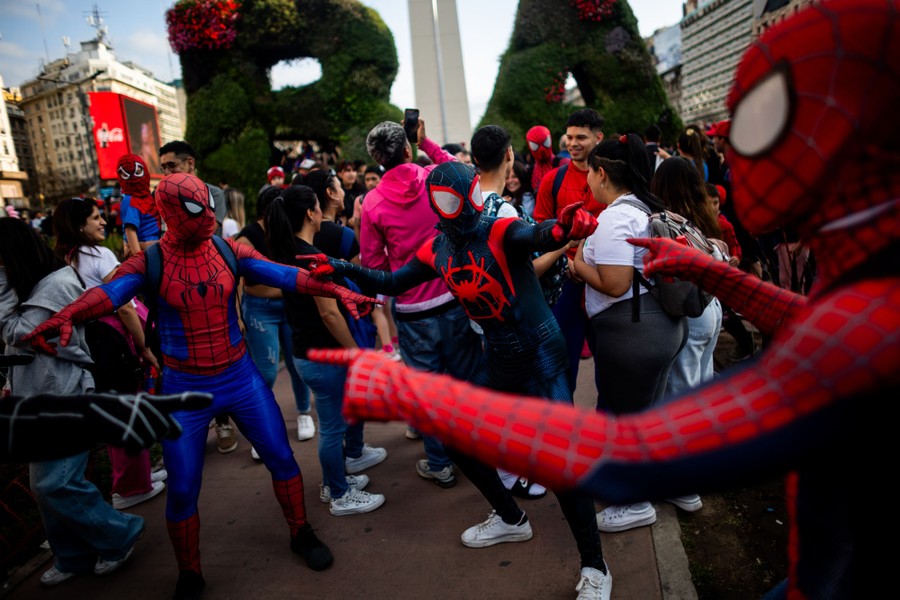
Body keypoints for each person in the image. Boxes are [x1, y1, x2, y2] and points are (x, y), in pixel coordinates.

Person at [317, 2, 897, 596]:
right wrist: (722, 278)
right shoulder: (867, 267)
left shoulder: (868, 327)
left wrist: (419, 394)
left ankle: (595, 563)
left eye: (764, 124)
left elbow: (626, 454)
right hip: (823, 558)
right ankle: (511, 518)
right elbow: (815, 322)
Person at [25, 173, 379, 599]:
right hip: (183, 388)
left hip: (239, 376)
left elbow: (286, 276)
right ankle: (189, 571)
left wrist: (340, 290)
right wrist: (70, 313)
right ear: (172, 213)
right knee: (183, 486)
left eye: (210, 204)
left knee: (283, 459)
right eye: (198, 209)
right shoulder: (151, 261)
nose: (209, 215)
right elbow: (110, 294)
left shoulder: (229, 250)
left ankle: (301, 531)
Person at [302, 161, 609, 599]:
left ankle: (596, 566)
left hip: (541, 355)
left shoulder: (499, 230)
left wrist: (563, 230)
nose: (447, 207)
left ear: (472, 196)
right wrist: (341, 268)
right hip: (499, 357)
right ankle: (510, 518)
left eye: (453, 198)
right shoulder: (439, 248)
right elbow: (393, 280)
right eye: (439, 200)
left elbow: (537, 235)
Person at [0, 219, 145, 587]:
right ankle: (72, 555)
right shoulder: (31, 285)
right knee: (43, 486)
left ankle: (119, 533)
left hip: (65, 395)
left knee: (57, 483)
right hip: (35, 399)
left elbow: (18, 332)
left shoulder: (58, 284)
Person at [571, 134, 687, 532]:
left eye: (589, 174)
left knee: (624, 419)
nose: (586, 180)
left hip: (634, 333)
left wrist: (575, 265)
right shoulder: (643, 207)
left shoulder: (616, 217)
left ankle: (634, 503)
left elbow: (615, 283)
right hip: (661, 327)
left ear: (601, 174)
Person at [361, 117, 482, 487]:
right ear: (408, 148)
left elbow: (374, 264)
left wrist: (388, 288)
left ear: (378, 160)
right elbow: (460, 173)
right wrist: (429, 143)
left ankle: (440, 462)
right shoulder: (433, 176)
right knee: (466, 380)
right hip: (455, 293)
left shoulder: (372, 202)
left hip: (413, 311)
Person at [266, 185, 386, 516]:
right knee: (332, 428)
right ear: (310, 213)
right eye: (318, 205)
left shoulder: (288, 252)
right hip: (323, 356)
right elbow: (329, 313)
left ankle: (335, 481)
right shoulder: (309, 257)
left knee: (331, 424)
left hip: (306, 352)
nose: (322, 212)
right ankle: (339, 494)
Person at [52, 197, 167, 510]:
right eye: (94, 218)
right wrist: (144, 347)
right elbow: (126, 305)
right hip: (116, 339)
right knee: (128, 408)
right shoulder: (98, 255)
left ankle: (138, 478)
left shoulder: (64, 258)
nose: (103, 222)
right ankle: (130, 488)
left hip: (88, 342)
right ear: (79, 226)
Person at [158, 140, 237, 453]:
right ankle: (192, 421)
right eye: (163, 167)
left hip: (210, 283)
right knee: (179, 355)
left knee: (217, 352)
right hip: (172, 285)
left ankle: (223, 422)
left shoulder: (211, 194)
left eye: (171, 166)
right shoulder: (161, 194)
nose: (166, 172)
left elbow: (205, 232)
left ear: (189, 163)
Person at [235, 186, 316, 449]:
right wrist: (236, 313)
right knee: (267, 371)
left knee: (297, 364)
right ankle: (264, 430)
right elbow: (238, 279)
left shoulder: (289, 231)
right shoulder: (248, 237)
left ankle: (304, 413)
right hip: (260, 309)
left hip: (290, 306)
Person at [533, 108, 606, 392]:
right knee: (563, 366)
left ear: (598, 138)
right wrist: (566, 261)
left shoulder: (610, 177)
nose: (573, 143)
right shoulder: (553, 180)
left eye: (581, 137)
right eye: (570, 136)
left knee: (610, 368)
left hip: (606, 281)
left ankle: (608, 429)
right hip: (565, 284)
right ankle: (565, 428)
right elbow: (539, 231)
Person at [117, 154, 161, 258]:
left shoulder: (147, 197)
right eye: (127, 174)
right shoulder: (130, 200)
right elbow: (130, 230)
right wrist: (138, 255)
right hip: (148, 252)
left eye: (137, 172)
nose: (134, 178)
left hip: (154, 246)